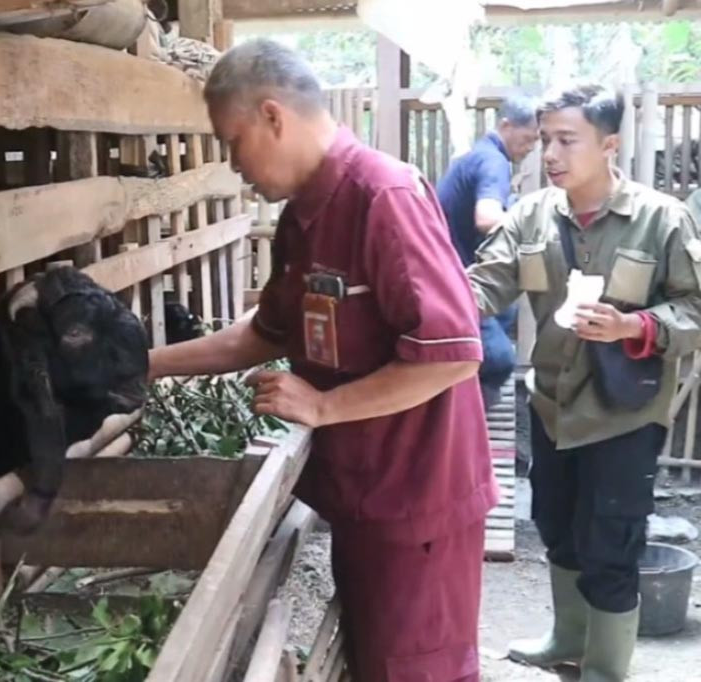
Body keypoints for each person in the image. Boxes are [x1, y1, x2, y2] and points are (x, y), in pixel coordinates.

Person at [148, 39, 497, 682]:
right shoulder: (302, 219)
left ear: (274, 116)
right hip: (365, 495)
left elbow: (452, 355)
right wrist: (146, 364)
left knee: (417, 672)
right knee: (375, 665)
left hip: (415, 503)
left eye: (233, 140)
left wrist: (323, 405)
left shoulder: (384, 196)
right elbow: (264, 334)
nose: (233, 165)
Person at [467, 84, 701, 681]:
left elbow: (694, 309)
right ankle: (566, 637)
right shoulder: (531, 215)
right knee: (557, 526)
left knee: (612, 544)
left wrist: (634, 324)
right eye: (546, 139)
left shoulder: (661, 219)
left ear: (610, 145)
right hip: (552, 406)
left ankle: (605, 668)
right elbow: (482, 285)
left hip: (624, 413)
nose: (550, 153)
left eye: (567, 140)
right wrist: (427, 299)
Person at [436, 95, 540, 407]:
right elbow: (487, 218)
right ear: (505, 126)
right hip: (454, 279)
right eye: (528, 139)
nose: (532, 148)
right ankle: (470, 417)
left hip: (454, 269)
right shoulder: (493, 162)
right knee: (499, 361)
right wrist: (534, 224)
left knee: (509, 308)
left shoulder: (478, 156)